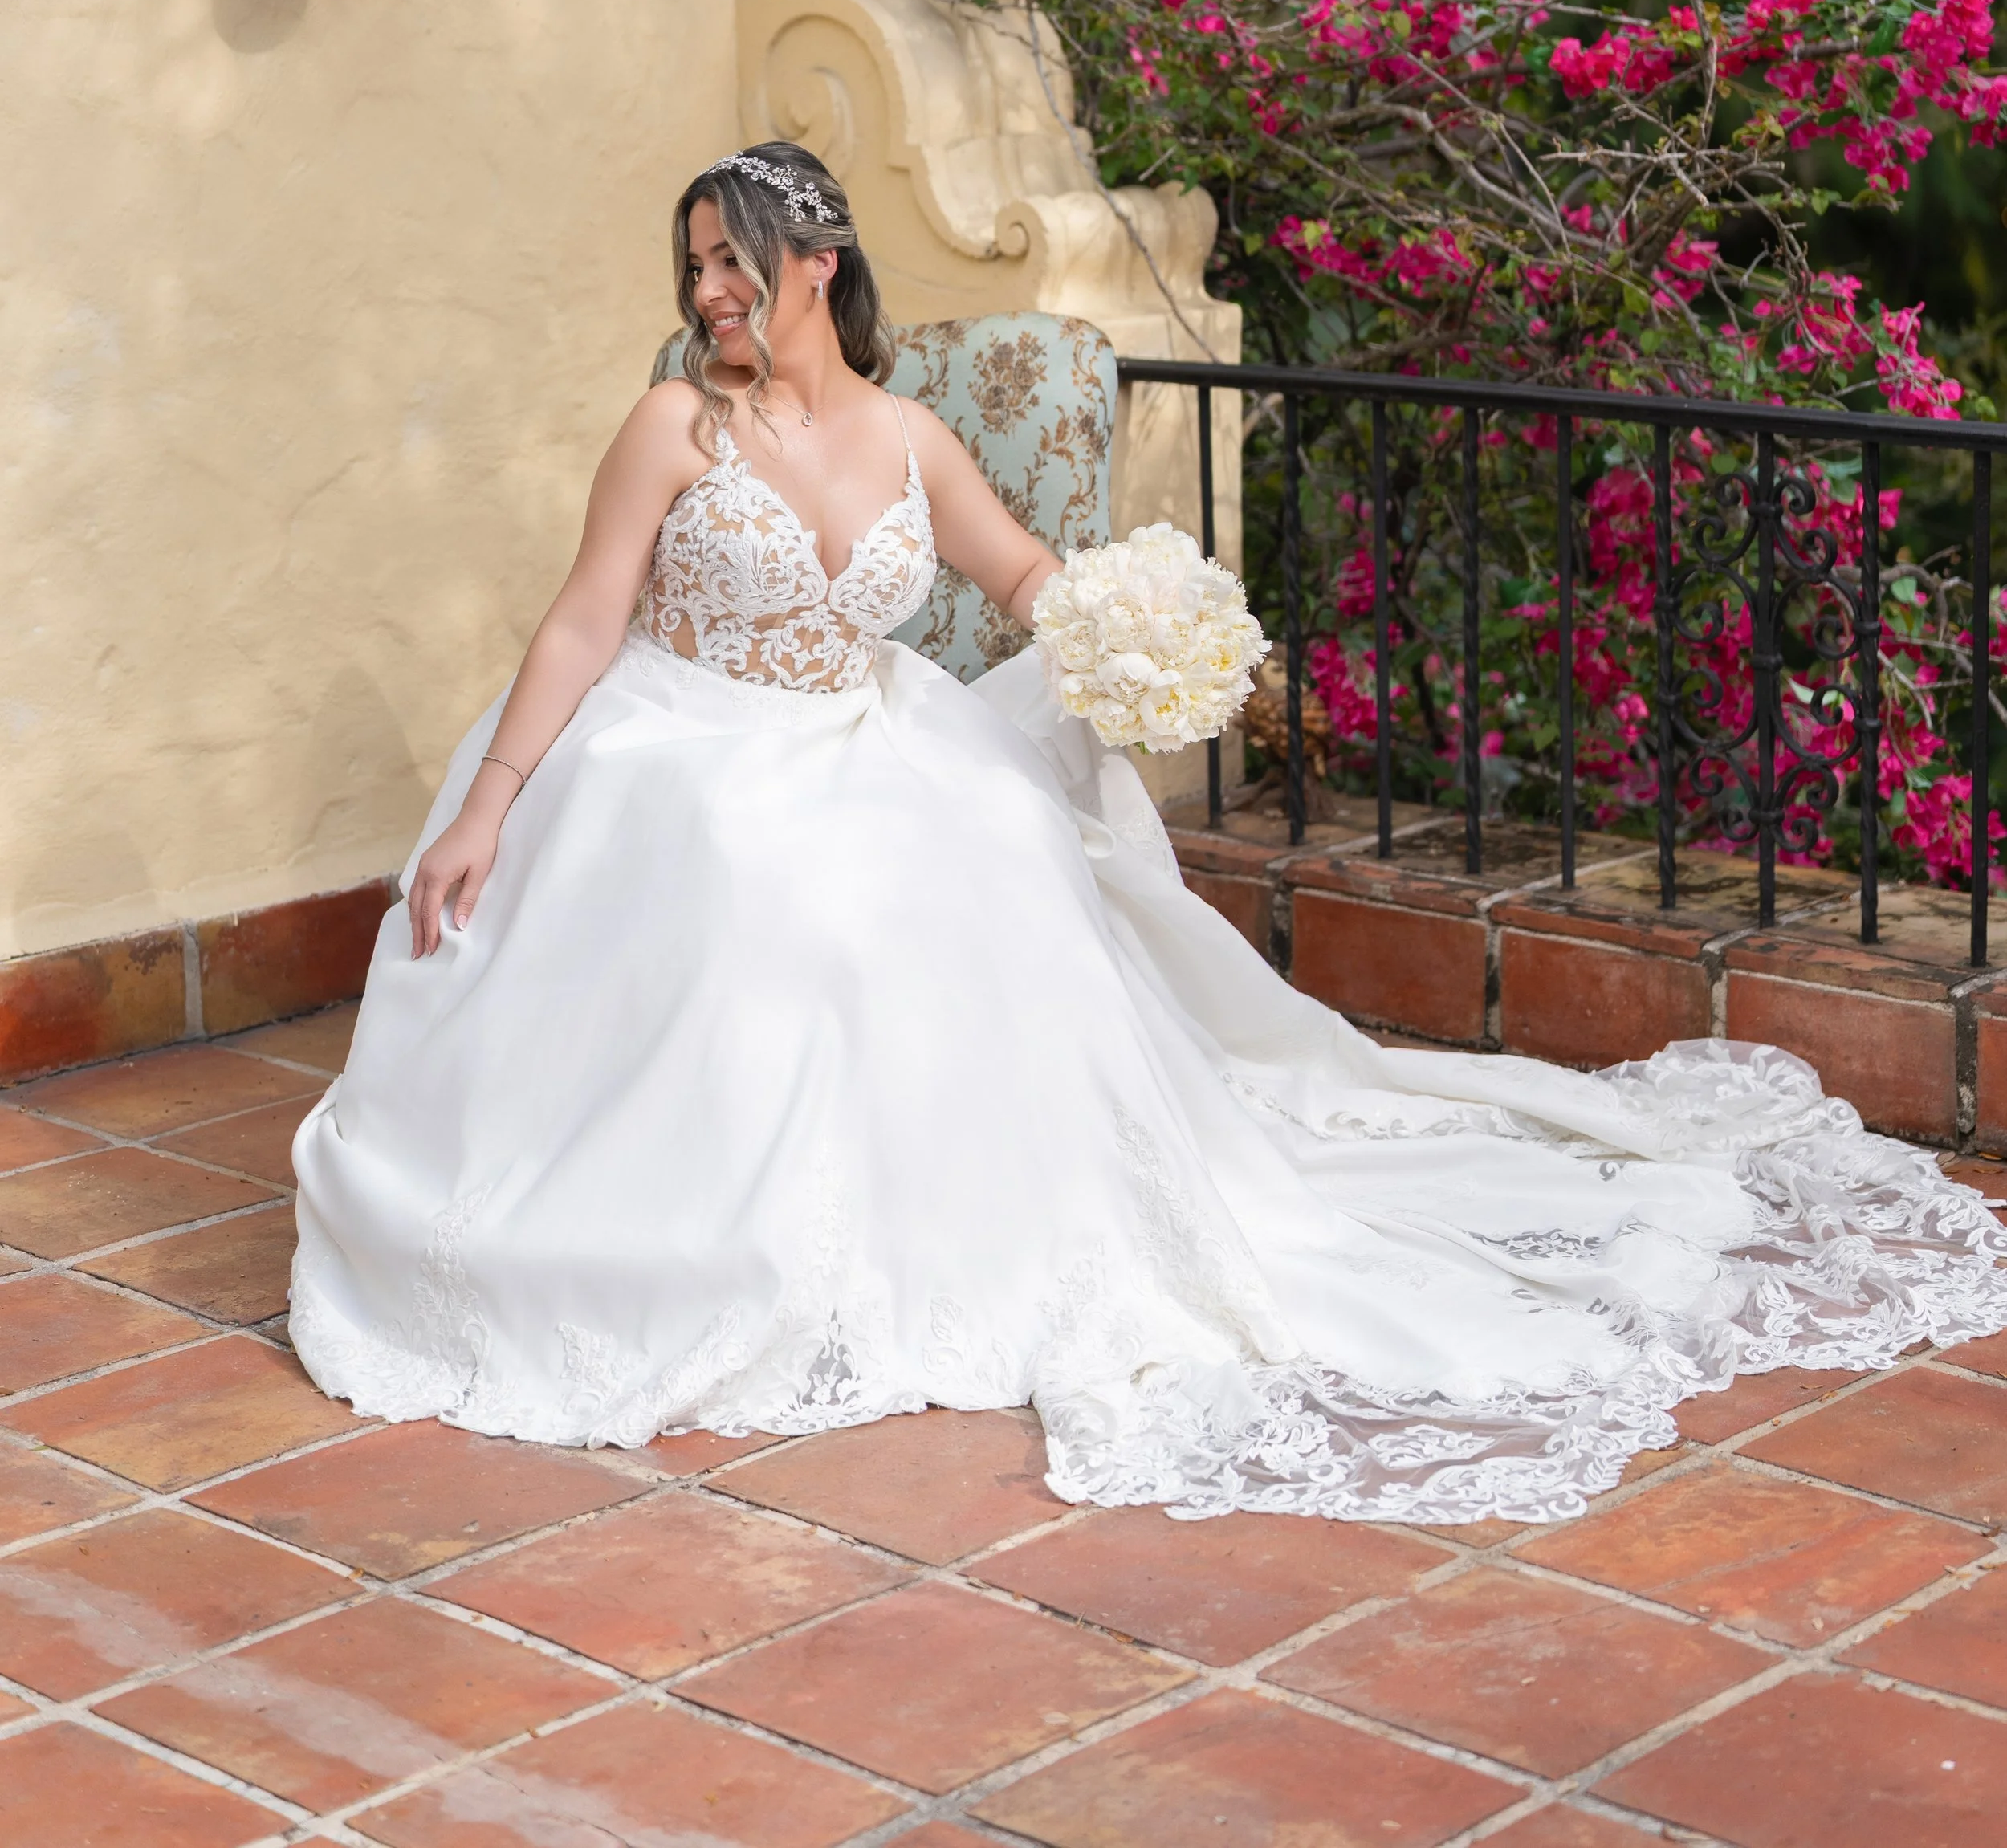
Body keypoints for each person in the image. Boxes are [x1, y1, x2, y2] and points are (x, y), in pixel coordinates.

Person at [291, 140, 2007, 1524]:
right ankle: (727, 1251)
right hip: (676, 749)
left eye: (735, 260)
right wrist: (499, 797)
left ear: (816, 262)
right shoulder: (676, 421)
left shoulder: (908, 437)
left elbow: (1024, 583)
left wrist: (1129, 625)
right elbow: (585, 620)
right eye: (691, 271)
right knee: (778, 904)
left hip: (862, 737)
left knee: (994, 868)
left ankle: (972, 1221)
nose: (710, 296)